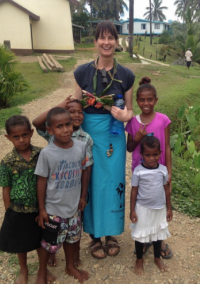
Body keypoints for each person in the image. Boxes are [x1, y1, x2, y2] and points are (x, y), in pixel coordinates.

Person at [74, 21, 135, 259]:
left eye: (111, 38)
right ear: (95, 42)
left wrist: (124, 115)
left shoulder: (126, 75)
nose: (107, 42)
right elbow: (75, 106)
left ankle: (111, 233)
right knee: (90, 182)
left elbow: (130, 110)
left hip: (114, 136)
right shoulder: (82, 72)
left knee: (112, 182)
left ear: (117, 42)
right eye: (102, 38)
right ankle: (94, 236)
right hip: (89, 136)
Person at [33, 98, 94, 267]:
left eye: (68, 124)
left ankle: (70, 266)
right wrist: (42, 208)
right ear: (50, 130)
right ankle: (42, 272)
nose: (66, 130)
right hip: (54, 207)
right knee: (50, 241)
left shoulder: (82, 145)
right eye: (59, 127)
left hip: (74, 205)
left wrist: (83, 197)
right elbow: (41, 180)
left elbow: (85, 169)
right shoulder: (47, 153)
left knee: (73, 237)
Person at [0, 115, 56, 284]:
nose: (21, 140)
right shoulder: (8, 161)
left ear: (31, 133)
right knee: (19, 241)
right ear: (8, 138)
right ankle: (23, 270)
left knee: (40, 239)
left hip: (40, 207)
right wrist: (9, 211)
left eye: (25, 135)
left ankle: (42, 270)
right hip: (18, 209)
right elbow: (6, 188)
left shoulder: (41, 154)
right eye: (16, 137)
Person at [126, 79, 173, 259]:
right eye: (142, 100)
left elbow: (167, 146)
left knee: (160, 204)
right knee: (142, 206)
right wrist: (137, 137)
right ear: (137, 101)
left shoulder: (163, 120)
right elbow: (129, 147)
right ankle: (143, 239)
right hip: (141, 172)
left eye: (150, 99)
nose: (146, 103)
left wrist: (169, 170)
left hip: (159, 172)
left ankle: (158, 241)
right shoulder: (133, 121)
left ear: (156, 100)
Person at [130, 135, 172, 275]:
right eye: (148, 155)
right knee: (140, 235)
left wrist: (169, 207)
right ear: (142, 155)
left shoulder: (163, 170)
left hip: (159, 208)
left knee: (158, 234)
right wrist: (132, 210)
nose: (152, 158)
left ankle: (157, 258)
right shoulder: (138, 171)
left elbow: (166, 189)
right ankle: (139, 260)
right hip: (142, 209)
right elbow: (134, 191)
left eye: (155, 154)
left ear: (160, 153)